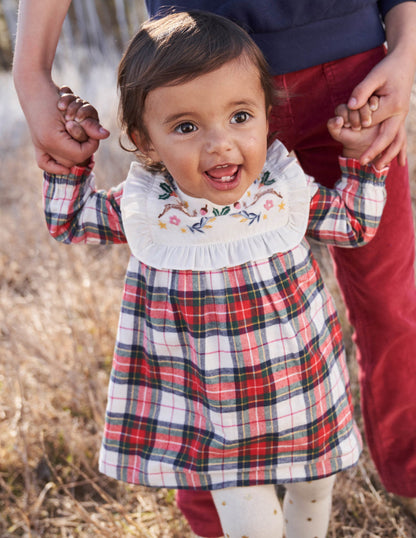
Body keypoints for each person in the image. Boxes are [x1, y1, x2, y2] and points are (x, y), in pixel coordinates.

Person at [12, 0, 416, 534]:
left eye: (240, 120)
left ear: (266, 121)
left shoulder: (280, 189)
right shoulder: (151, 205)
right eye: (185, 127)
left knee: (314, 492)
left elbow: (352, 224)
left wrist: (363, 159)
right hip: (217, 421)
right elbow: (72, 223)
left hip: (301, 400)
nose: (219, 142)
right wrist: (68, 157)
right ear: (143, 138)